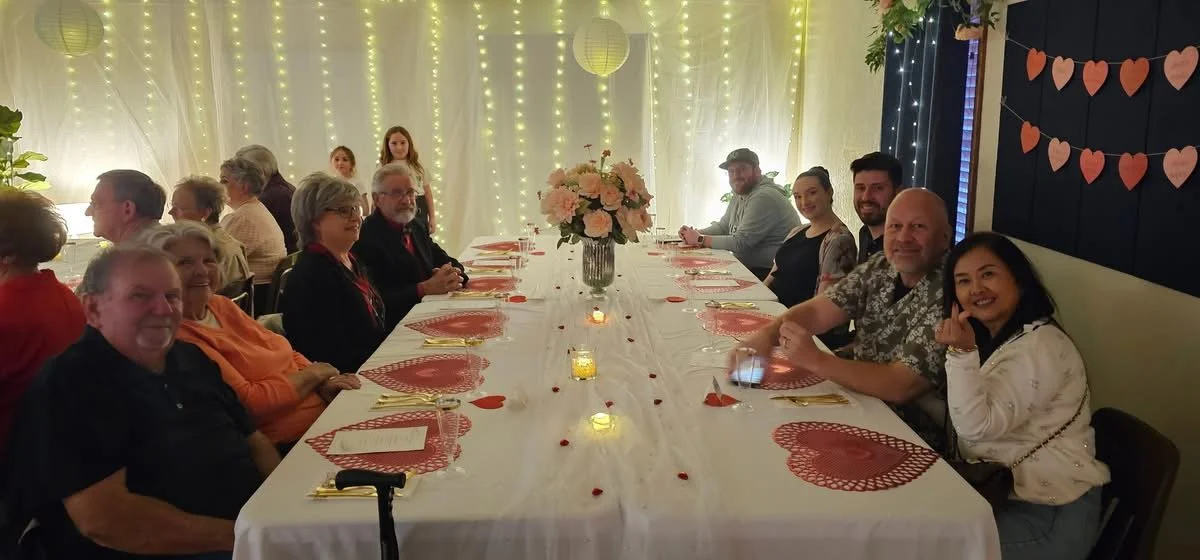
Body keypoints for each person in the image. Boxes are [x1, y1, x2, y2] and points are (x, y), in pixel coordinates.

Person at [2, 246, 278, 559]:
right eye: (140, 296)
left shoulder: (192, 358)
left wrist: (282, 511)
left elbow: (254, 440)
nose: (163, 309)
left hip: (251, 531)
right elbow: (107, 521)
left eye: (172, 296)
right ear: (93, 309)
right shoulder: (71, 382)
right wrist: (250, 537)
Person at [735, 189, 953, 452]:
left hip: (907, 435)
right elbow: (818, 311)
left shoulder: (952, 288)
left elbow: (902, 385)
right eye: (895, 226)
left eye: (918, 227)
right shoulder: (881, 266)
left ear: (945, 237)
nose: (904, 237)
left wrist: (816, 360)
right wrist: (766, 336)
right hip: (856, 402)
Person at [935, 232, 1109, 560]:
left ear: (1019, 279)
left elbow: (975, 427)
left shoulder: (1040, 345)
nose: (976, 289)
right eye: (963, 281)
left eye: (988, 274)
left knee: (922, 544)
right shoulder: (1001, 339)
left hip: (1049, 514)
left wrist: (961, 353)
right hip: (1004, 496)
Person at [140, 223, 361, 453]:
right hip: (291, 444)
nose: (202, 271)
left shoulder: (220, 305)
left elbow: (285, 352)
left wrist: (324, 383)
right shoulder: (178, 337)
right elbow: (252, 404)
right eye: (185, 263)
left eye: (209, 260)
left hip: (324, 414)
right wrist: (316, 374)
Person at [0, 189, 86, 456]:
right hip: (57, 447)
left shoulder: (8, 308)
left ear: (8, 254)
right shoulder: (63, 295)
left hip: (15, 453)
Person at [282, 173, 386, 373]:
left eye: (355, 208)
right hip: (347, 379)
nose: (356, 217)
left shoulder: (350, 259)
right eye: (344, 210)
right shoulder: (311, 275)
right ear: (314, 220)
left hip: (373, 363)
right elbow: (326, 352)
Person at [353, 162, 465, 331]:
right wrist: (424, 289)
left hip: (434, 314)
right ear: (377, 199)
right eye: (397, 193)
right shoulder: (364, 237)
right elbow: (375, 301)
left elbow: (448, 261)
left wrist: (453, 274)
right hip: (397, 328)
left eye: (411, 192)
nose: (407, 200)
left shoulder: (416, 225)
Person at [764, 166, 857, 348]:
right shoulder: (796, 231)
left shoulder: (838, 240)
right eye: (797, 197)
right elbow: (772, 275)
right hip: (774, 314)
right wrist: (756, 303)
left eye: (812, 193)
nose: (804, 202)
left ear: (829, 193)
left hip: (801, 331)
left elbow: (823, 305)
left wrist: (776, 328)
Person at [677, 148, 800, 279]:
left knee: (691, 280)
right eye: (731, 171)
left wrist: (699, 239)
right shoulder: (741, 192)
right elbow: (723, 227)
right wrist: (694, 233)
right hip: (749, 269)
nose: (736, 176)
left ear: (757, 171)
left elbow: (742, 242)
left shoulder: (764, 196)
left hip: (772, 275)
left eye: (742, 169)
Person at [220, 156, 287, 315]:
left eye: (224, 180)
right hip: (260, 296)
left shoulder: (242, 218)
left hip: (252, 301)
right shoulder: (256, 208)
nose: (219, 185)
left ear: (244, 186)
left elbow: (220, 263)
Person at [169, 176, 252, 297]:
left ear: (205, 213)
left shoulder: (207, 252)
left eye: (179, 208)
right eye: (171, 206)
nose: (170, 212)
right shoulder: (231, 243)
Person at [236, 145, 298, 253]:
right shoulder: (284, 189)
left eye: (241, 173)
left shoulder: (272, 197)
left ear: (259, 171)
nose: (238, 179)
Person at [378, 126, 436, 234]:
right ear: (387, 145)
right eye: (394, 143)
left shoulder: (418, 166)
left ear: (409, 143)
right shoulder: (383, 167)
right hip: (395, 207)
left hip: (419, 207)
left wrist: (432, 218)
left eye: (403, 143)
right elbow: (378, 194)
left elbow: (427, 192)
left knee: (420, 238)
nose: (399, 147)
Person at [84, 169, 166, 244]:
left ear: (128, 210)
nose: (87, 212)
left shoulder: (146, 253)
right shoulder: (161, 246)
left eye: (96, 204)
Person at [850, 152, 904, 264]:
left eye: (878, 188)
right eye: (860, 188)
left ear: (898, 192)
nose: (866, 197)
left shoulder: (904, 244)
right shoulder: (865, 233)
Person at [330, 145, 369, 214]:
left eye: (345, 160)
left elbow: (365, 210)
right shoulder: (330, 184)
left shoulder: (357, 183)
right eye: (337, 159)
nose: (340, 163)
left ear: (352, 164)